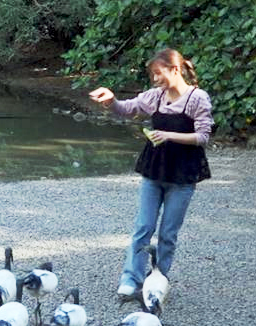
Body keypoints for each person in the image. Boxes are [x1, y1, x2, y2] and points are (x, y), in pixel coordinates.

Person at [88, 48, 214, 297]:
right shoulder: (156, 96)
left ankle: (157, 282)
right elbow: (126, 109)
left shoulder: (197, 98)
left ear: (175, 70)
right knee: (143, 227)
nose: (155, 79)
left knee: (168, 233)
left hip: (183, 174)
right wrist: (111, 100)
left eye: (159, 73)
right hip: (154, 170)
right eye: (153, 75)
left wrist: (169, 135)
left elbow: (202, 136)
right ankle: (130, 280)